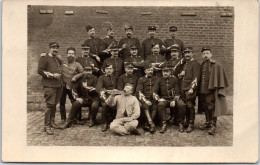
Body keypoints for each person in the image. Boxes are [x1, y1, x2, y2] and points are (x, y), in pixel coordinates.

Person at [198, 47, 229, 135]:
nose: (205, 55)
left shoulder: (216, 65)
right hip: (202, 90)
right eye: (203, 53)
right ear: (201, 55)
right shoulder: (201, 65)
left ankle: (213, 125)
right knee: (205, 107)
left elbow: (221, 78)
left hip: (211, 91)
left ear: (211, 55)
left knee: (211, 108)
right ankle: (208, 122)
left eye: (207, 53)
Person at [60, 64, 100, 129]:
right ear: (84, 71)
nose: (88, 72)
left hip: (94, 98)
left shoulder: (95, 79)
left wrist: (86, 87)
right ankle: (68, 121)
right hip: (84, 98)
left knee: (95, 105)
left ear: (92, 71)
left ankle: (92, 119)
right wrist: (77, 97)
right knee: (76, 103)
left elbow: (96, 89)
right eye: (86, 71)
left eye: (89, 71)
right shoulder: (81, 79)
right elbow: (74, 88)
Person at [37, 42, 63, 135]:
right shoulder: (44, 57)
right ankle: (46, 126)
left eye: (57, 48)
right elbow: (40, 70)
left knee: (54, 104)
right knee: (49, 105)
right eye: (53, 47)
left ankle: (52, 122)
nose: (55, 49)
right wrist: (52, 75)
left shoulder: (56, 58)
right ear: (49, 48)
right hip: (49, 85)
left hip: (58, 85)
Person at [153, 64, 186, 133]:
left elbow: (177, 92)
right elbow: (154, 92)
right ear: (162, 72)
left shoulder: (174, 79)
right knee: (160, 105)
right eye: (164, 71)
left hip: (173, 98)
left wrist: (174, 100)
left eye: (167, 71)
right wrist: (159, 99)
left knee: (181, 104)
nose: (165, 73)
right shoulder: (159, 80)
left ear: (170, 72)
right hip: (164, 99)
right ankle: (164, 123)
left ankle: (181, 123)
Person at [178, 47, 201, 133]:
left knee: (190, 105)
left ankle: (191, 123)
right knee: (185, 106)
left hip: (190, 89)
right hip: (183, 88)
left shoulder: (195, 64)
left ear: (192, 53)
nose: (187, 54)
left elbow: (196, 77)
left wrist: (192, 88)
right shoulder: (185, 64)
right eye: (185, 53)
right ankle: (187, 122)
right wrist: (180, 75)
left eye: (189, 53)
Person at [59, 47, 84, 124]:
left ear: (75, 55)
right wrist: (44, 54)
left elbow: (82, 72)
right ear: (66, 54)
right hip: (62, 86)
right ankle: (63, 118)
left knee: (74, 102)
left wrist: (75, 77)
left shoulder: (77, 64)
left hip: (72, 86)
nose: (71, 55)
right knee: (62, 102)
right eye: (69, 53)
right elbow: (54, 56)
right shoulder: (62, 62)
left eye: (72, 54)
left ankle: (75, 118)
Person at [135, 64, 158, 133]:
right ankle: (151, 124)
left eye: (151, 70)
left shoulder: (156, 78)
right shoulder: (141, 79)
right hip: (144, 98)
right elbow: (139, 91)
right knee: (145, 106)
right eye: (148, 70)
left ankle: (147, 124)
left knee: (155, 106)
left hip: (153, 98)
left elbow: (156, 90)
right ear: (145, 71)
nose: (150, 71)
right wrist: (145, 100)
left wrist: (156, 98)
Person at [96, 64, 118, 131]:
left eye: (110, 69)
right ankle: (105, 122)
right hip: (105, 96)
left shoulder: (116, 77)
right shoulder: (101, 77)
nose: (109, 70)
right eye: (107, 69)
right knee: (105, 105)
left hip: (115, 96)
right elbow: (99, 88)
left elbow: (119, 87)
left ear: (113, 70)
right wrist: (104, 98)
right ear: (105, 70)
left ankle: (116, 120)